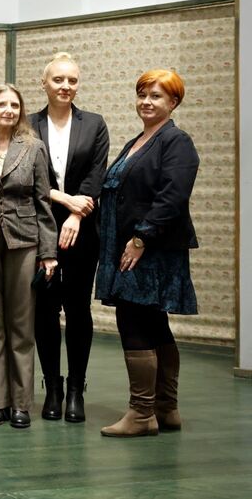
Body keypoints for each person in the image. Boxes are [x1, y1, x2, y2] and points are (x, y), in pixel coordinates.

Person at [95, 69, 198, 438]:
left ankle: (142, 413)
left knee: (135, 322)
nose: (147, 101)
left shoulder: (176, 141)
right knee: (154, 324)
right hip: (131, 247)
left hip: (147, 250)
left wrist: (140, 239)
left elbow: (173, 195)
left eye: (156, 95)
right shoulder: (139, 140)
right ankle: (165, 409)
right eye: (142, 94)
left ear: (173, 102)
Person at [29, 52, 109, 423]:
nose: (65, 86)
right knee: (44, 311)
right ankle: (53, 388)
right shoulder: (27, 126)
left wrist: (77, 214)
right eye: (58, 79)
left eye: (72, 80)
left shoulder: (94, 124)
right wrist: (63, 201)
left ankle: (76, 388)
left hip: (84, 232)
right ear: (44, 83)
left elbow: (96, 177)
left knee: (77, 310)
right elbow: (27, 180)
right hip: (39, 230)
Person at [0, 84, 58, 429]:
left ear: (20, 110)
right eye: (1, 103)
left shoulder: (34, 147)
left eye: (14, 105)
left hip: (23, 241)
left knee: (21, 325)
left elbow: (43, 202)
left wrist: (48, 253)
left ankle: (21, 403)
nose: (7, 110)